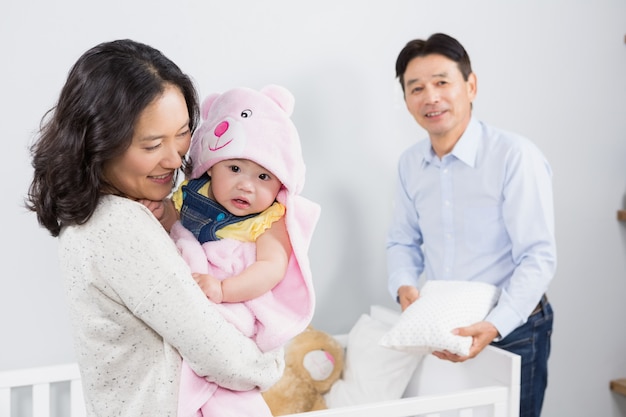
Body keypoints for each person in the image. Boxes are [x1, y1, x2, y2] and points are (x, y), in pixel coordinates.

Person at [25, 39, 284, 417]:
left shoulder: (117, 216)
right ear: (98, 143)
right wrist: (273, 358)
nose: (175, 157)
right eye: (151, 145)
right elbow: (223, 355)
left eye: (182, 133)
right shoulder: (117, 224)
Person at [387, 33, 556, 417]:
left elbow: (538, 257)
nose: (430, 97)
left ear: (471, 85)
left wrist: (496, 324)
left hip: (514, 326)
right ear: (407, 100)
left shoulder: (516, 156)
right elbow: (401, 241)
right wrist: (404, 286)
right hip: (444, 324)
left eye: (442, 82)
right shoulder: (410, 163)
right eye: (416, 88)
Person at [145, 85, 320, 417]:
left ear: (280, 184)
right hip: (193, 294)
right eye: (234, 169)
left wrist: (224, 290)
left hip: (235, 302)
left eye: (264, 176)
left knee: (225, 388)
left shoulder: (270, 220)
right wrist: (157, 212)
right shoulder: (193, 195)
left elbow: (271, 268)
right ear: (211, 166)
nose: (246, 185)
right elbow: (175, 223)